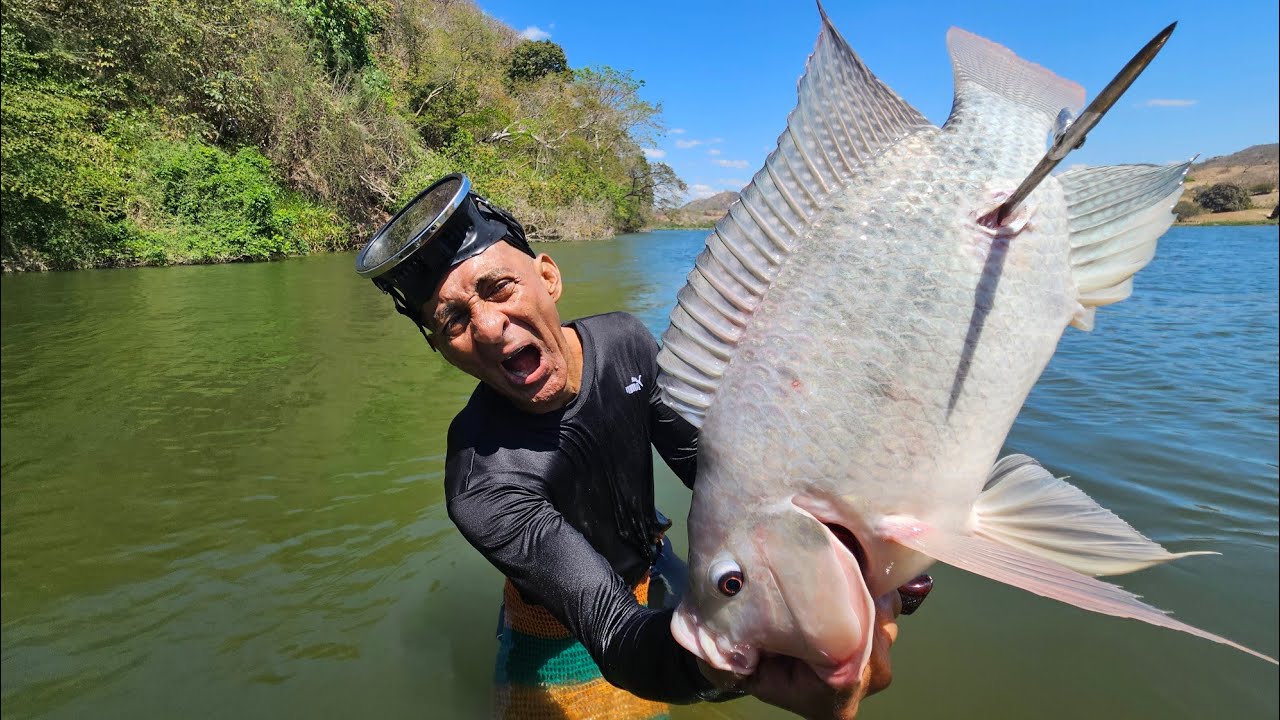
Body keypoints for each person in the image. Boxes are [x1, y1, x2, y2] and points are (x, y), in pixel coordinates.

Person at [356, 174, 926, 719]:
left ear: (547, 278)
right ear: (442, 349)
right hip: (560, 621)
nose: (486, 327)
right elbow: (612, 630)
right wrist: (732, 666)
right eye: (452, 320)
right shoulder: (482, 480)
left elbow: (713, 473)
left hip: (655, 562)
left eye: (497, 287)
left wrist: (858, 549)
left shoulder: (625, 341)